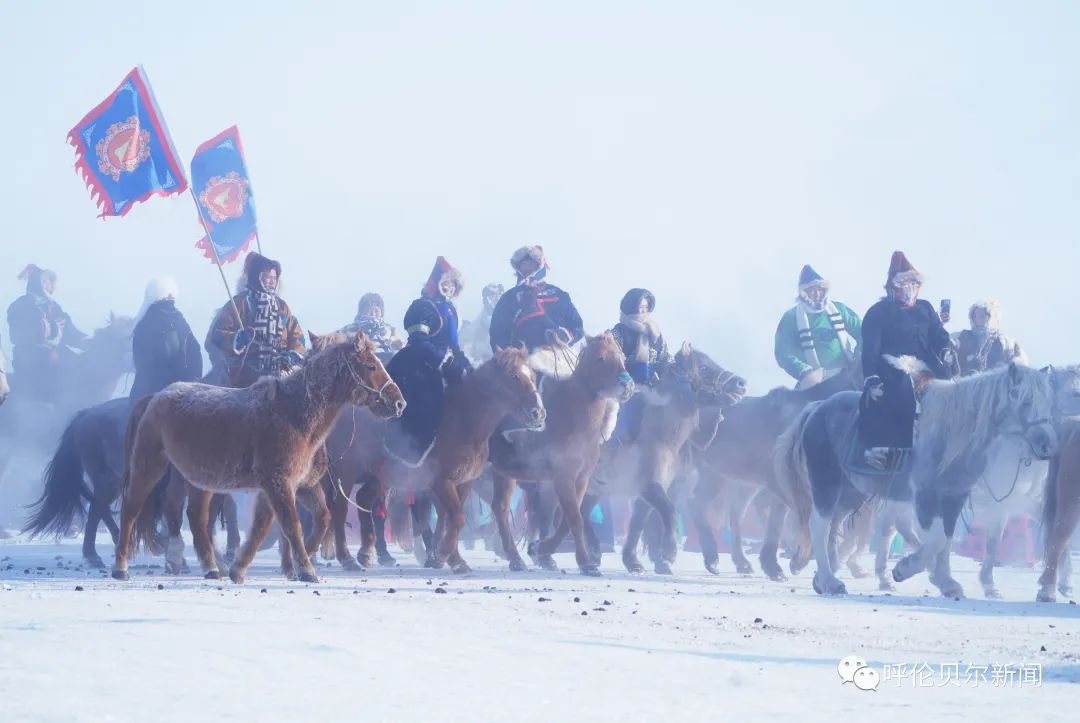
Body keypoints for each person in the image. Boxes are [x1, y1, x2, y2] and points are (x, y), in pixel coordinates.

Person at [859, 251, 954, 470]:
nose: (911, 287)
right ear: (894, 286)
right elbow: (870, 350)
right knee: (901, 390)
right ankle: (893, 449)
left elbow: (938, 335)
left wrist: (945, 348)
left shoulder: (926, 308)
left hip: (925, 365)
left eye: (914, 282)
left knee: (948, 387)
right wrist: (871, 377)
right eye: (906, 283)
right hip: (892, 364)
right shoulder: (878, 312)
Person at [383, 257, 470, 466]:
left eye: (455, 285)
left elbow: (454, 344)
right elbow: (418, 340)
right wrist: (443, 361)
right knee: (425, 402)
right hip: (416, 364)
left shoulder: (451, 310)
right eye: (449, 282)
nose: (452, 288)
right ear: (438, 281)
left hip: (445, 363)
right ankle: (408, 452)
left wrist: (467, 366)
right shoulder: (422, 306)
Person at [205, 252, 306, 388]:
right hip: (245, 375)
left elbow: (297, 337)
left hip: (280, 373)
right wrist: (237, 340)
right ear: (256, 276)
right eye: (268, 277)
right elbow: (216, 335)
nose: (272, 281)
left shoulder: (282, 307)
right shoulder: (239, 304)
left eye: (274, 278)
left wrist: (293, 355)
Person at [6, 264, 88, 403]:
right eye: (45, 281)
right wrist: (50, 331)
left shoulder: (55, 307)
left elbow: (70, 332)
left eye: (51, 282)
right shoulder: (21, 305)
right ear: (37, 283)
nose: (49, 285)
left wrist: (87, 341)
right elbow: (20, 335)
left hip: (56, 357)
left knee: (83, 367)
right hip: (31, 360)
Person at [774, 265, 861, 391]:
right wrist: (804, 371)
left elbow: (864, 332)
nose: (817, 293)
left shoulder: (839, 309)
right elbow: (783, 352)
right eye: (811, 290)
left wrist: (858, 356)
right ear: (804, 293)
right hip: (814, 380)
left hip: (847, 373)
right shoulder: (790, 318)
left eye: (820, 289)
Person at [489, 246, 584, 353]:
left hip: (559, 355)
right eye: (523, 265)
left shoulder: (559, 295)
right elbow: (497, 334)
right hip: (521, 360)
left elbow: (578, 326)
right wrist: (510, 356)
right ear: (518, 269)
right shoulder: (509, 298)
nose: (527, 270)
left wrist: (568, 336)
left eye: (531, 265)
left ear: (540, 265)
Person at [130, 277, 203, 401]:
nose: (169, 299)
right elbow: (145, 366)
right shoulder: (148, 324)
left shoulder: (175, 319)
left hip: (172, 388)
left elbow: (194, 349)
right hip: (169, 389)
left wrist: (192, 380)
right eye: (167, 296)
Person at [611, 288, 669, 386]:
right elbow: (613, 360)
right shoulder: (619, 331)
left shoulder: (655, 331)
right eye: (637, 307)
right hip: (626, 387)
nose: (640, 311)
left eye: (645, 307)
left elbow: (666, 358)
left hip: (655, 388)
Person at [953, 301, 1026, 376]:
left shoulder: (1004, 342)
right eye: (974, 316)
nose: (976, 320)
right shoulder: (962, 337)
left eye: (981, 316)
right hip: (965, 385)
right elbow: (945, 344)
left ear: (992, 318)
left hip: (994, 385)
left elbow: (1020, 366)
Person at [340, 292, 403, 358]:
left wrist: (395, 344)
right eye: (368, 310)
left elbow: (399, 346)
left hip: (387, 364)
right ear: (361, 312)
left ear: (381, 313)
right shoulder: (349, 329)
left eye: (376, 311)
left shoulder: (390, 330)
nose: (373, 314)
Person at [460, 282, 504, 363]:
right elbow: (465, 353)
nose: (490, 300)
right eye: (489, 296)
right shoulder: (471, 329)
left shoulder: (508, 326)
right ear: (484, 300)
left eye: (496, 295)